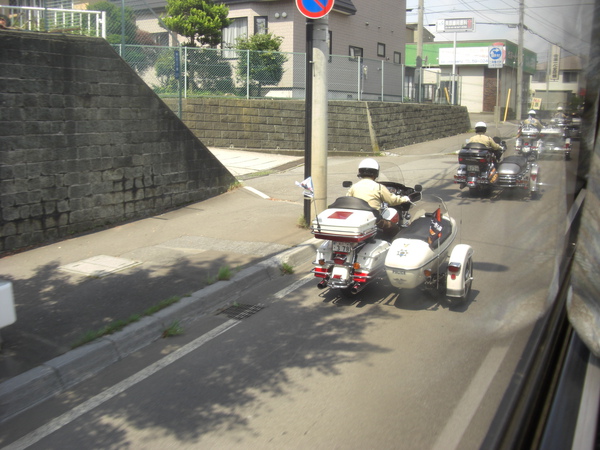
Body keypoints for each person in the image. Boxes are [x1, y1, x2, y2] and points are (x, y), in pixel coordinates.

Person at [346, 158, 411, 239]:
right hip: (374, 219)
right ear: (375, 173)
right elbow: (392, 200)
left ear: (360, 172)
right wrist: (404, 199)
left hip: (357, 218)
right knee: (394, 228)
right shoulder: (378, 187)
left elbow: (347, 199)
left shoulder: (354, 186)